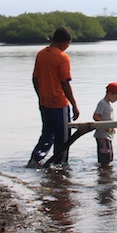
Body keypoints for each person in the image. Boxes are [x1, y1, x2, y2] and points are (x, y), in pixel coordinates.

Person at [28, 27, 80, 167]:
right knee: (62, 138)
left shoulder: (41, 54)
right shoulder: (62, 57)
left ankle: (36, 158)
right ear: (63, 42)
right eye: (67, 44)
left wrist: (41, 97)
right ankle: (61, 164)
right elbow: (65, 83)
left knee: (47, 133)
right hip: (59, 103)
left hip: (45, 103)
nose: (67, 47)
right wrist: (74, 104)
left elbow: (35, 79)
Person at [93, 82, 117, 168]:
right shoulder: (102, 103)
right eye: (116, 96)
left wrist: (112, 127)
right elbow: (96, 116)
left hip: (108, 135)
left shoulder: (108, 105)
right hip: (102, 135)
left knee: (109, 155)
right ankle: (104, 171)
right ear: (110, 94)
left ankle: (106, 172)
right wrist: (105, 126)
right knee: (105, 156)